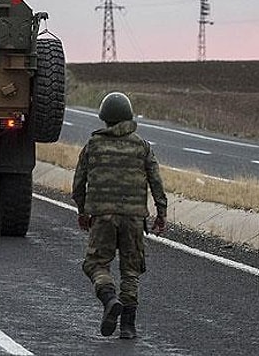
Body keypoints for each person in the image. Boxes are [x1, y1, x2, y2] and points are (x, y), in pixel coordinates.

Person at [72, 91, 167, 340]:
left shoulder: (93, 145)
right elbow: (156, 181)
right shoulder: (142, 146)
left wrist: (82, 210)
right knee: (131, 271)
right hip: (134, 218)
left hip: (102, 217)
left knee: (95, 264)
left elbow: (79, 183)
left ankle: (109, 298)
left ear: (104, 117)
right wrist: (161, 212)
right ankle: (127, 326)